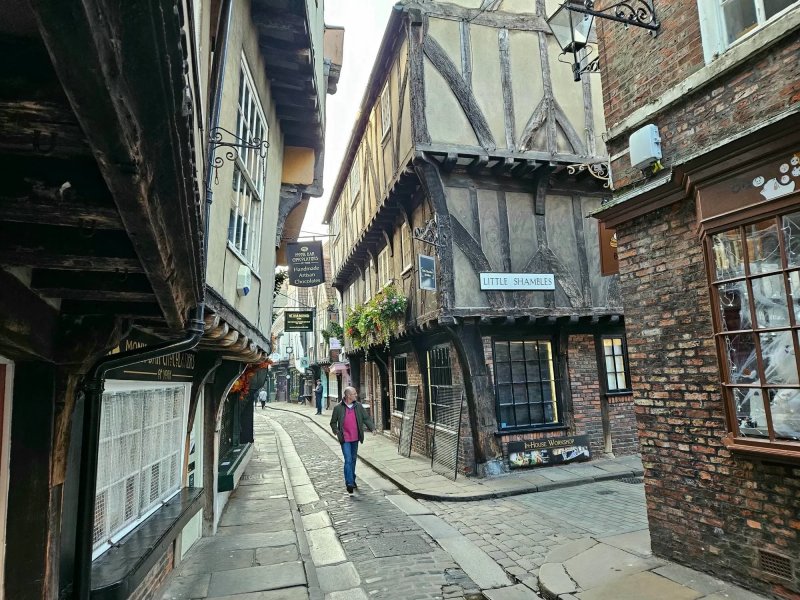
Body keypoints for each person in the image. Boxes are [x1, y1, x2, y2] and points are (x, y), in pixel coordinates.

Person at [329, 386, 375, 494]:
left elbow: (366, 418)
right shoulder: (338, 408)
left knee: (353, 459)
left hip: (355, 438)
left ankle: (352, 479)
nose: (356, 395)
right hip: (345, 439)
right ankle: (349, 483)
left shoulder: (358, 406)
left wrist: (372, 428)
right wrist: (336, 432)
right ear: (348, 395)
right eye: (354, 393)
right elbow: (332, 422)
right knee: (348, 459)